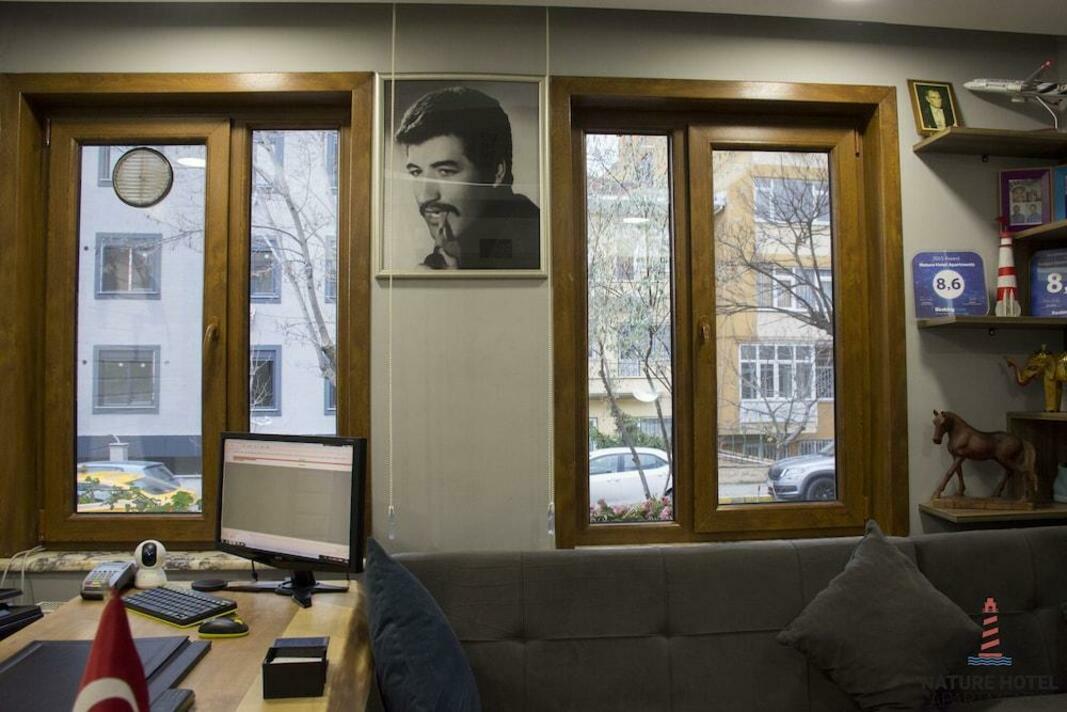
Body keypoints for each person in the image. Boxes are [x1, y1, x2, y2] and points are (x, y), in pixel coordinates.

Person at [394, 86, 540, 270]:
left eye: (445, 171)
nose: (425, 196)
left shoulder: (531, 247)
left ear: (496, 173)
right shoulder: (465, 240)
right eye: (416, 172)